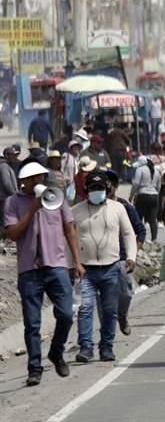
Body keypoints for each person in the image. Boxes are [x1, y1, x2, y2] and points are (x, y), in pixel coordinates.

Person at [3, 161, 81, 386]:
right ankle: (34, 368)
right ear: (23, 182)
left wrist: (76, 261)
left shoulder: (57, 197)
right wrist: (33, 209)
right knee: (32, 324)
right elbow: (13, 234)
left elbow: (70, 230)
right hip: (29, 270)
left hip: (56, 265)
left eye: (40, 177)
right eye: (32, 178)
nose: (37, 181)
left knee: (66, 314)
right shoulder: (12, 202)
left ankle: (56, 352)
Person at [71, 170, 137, 363]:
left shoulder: (117, 208)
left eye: (100, 188)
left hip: (112, 267)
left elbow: (128, 234)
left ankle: (106, 347)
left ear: (107, 189)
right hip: (86, 270)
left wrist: (131, 257)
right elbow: (70, 240)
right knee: (85, 308)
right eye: (93, 188)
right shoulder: (76, 211)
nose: (97, 191)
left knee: (109, 311)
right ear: (86, 190)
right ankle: (85, 348)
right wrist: (72, 264)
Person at [103, 169, 145, 337]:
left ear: (115, 187)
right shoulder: (92, 207)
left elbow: (140, 231)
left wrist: (132, 255)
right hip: (100, 260)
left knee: (126, 293)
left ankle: (122, 316)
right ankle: (104, 337)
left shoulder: (125, 206)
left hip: (121, 258)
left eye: (109, 186)